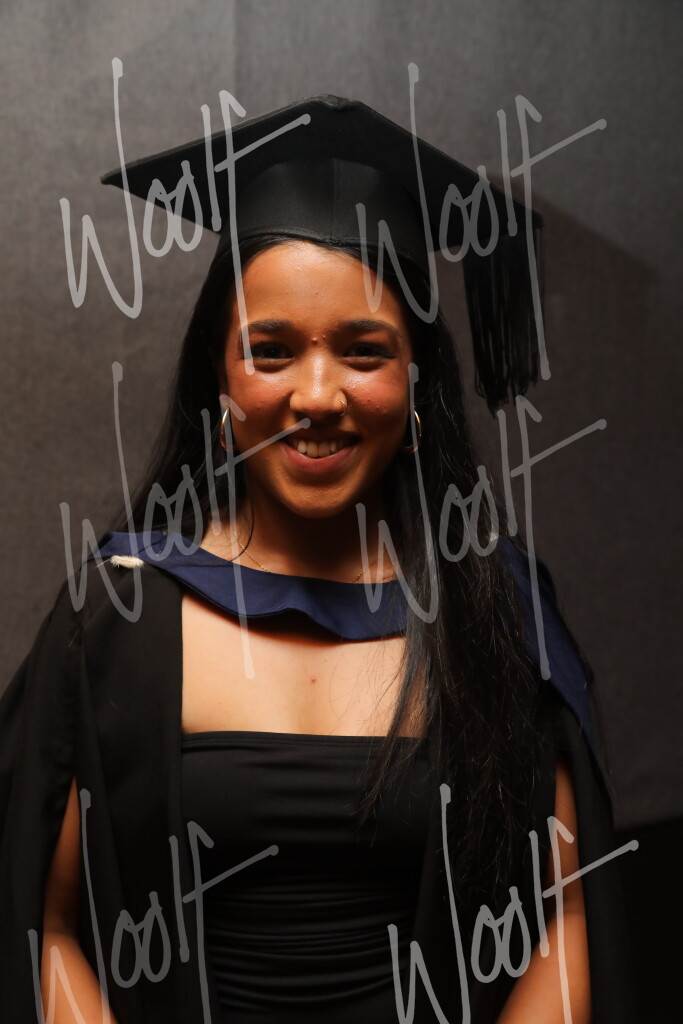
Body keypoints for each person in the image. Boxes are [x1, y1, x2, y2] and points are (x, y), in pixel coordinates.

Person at [0, 95, 636, 1023]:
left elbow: (565, 916)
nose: (316, 395)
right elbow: (43, 923)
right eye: (270, 350)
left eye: (363, 351)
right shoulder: (118, 618)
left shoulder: (496, 612)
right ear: (219, 380)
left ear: (416, 381)